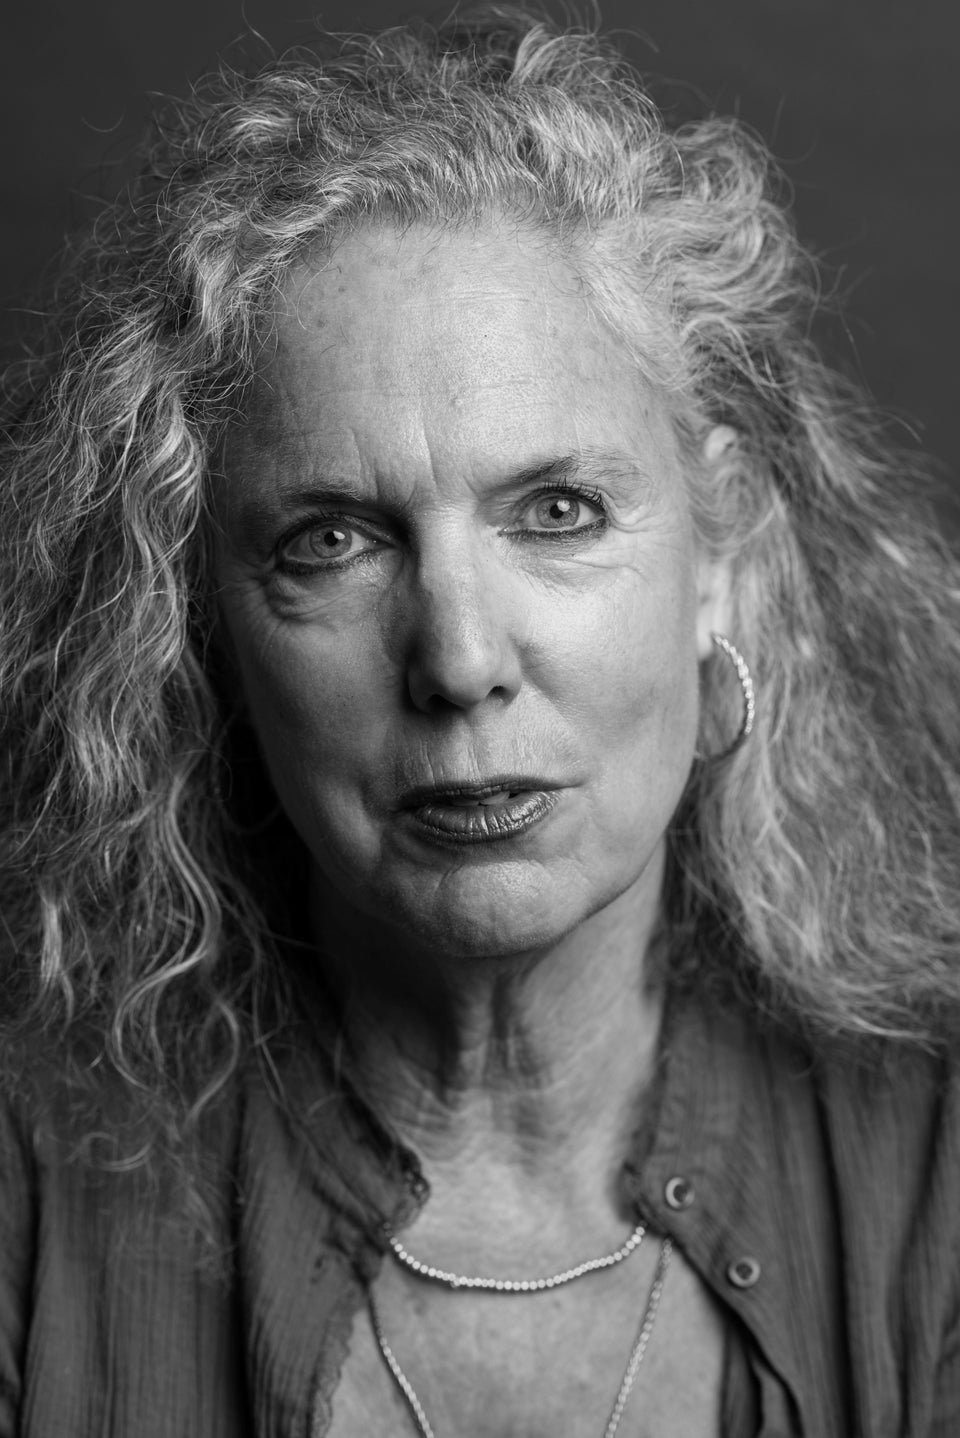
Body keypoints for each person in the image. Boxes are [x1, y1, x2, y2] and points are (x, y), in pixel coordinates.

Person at [1, 5, 959, 1434]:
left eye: (558, 512)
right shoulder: (27, 1195)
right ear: (194, 616)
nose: (456, 659)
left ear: (722, 557)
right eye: (331, 540)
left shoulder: (935, 1169)